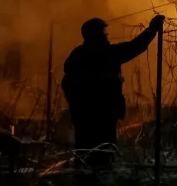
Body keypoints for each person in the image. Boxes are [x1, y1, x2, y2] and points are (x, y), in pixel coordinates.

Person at [62, 14, 164, 172]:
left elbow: (67, 85)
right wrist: (152, 30)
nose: (106, 36)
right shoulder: (106, 54)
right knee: (103, 156)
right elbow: (135, 46)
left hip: (84, 118)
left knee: (84, 157)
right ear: (96, 35)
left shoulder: (77, 56)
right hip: (104, 116)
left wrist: (78, 107)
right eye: (103, 32)